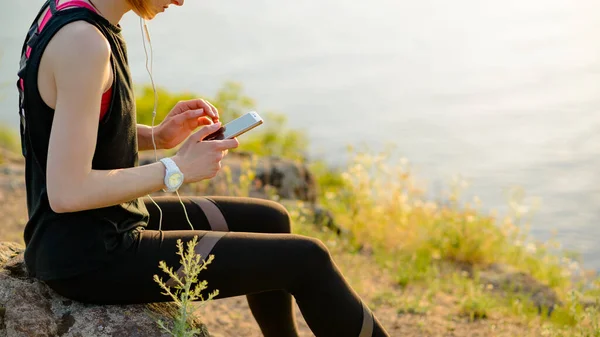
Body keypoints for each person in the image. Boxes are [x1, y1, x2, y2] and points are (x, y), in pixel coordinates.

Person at [16, 0, 390, 336]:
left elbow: (70, 125)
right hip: (91, 258)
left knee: (270, 219)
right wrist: (175, 168)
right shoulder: (85, 44)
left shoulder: (68, 13)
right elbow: (68, 191)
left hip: (92, 229)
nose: (180, 1)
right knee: (308, 259)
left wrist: (158, 137)